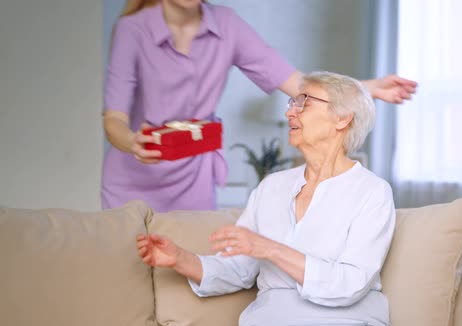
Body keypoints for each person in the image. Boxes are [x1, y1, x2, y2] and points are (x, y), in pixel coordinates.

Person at [136, 71, 396, 326]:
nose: (290, 113)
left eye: (304, 102)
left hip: (347, 324)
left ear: (342, 119)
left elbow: (350, 283)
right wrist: (179, 259)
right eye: (292, 103)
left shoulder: (372, 192)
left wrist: (270, 249)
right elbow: (238, 268)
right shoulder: (272, 187)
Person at [103, 0, 416, 212]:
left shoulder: (226, 24)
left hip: (193, 178)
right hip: (133, 181)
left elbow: (298, 84)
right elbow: (113, 119)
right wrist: (133, 142)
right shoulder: (133, 29)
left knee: (187, 281)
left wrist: (368, 88)